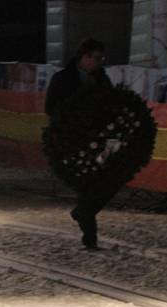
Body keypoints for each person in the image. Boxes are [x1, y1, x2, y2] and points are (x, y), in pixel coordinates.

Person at [45, 38, 114, 250]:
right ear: (83, 57)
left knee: (102, 183)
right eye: (95, 58)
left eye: (101, 59)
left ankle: (83, 212)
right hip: (71, 140)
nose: (99, 62)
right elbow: (51, 107)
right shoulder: (63, 79)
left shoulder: (102, 79)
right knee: (86, 185)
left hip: (97, 140)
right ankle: (90, 236)